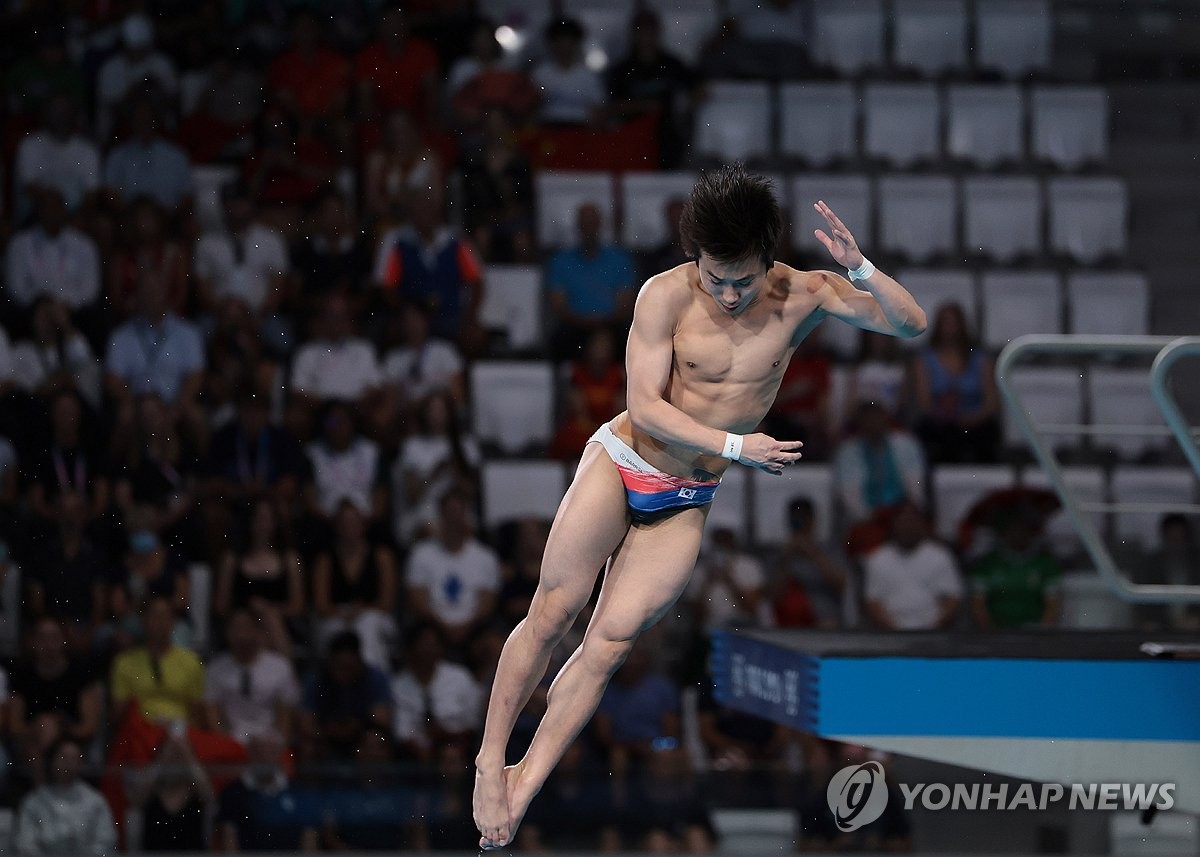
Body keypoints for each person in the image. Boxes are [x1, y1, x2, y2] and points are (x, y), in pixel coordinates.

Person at [473, 164, 926, 849]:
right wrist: (737, 444)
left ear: (767, 261)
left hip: (687, 495)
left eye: (743, 279)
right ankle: (487, 759)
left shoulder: (804, 294)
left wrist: (859, 266)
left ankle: (524, 777)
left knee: (610, 643)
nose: (729, 291)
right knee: (553, 611)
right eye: (716, 276)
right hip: (623, 460)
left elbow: (912, 324)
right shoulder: (664, 296)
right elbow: (643, 405)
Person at [912, 302, 1001, 463]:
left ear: (962, 325)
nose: (950, 328)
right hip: (940, 422)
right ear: (938, 326)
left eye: (954, 323)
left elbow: (992, 402)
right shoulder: (925, 359)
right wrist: (944, 416)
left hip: (976, 421)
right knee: (935, 432)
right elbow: (923, 402)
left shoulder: (980, 359)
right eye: (946, 322)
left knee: (987, 432)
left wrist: (971, 418)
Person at [863, 503, 963, 631]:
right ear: (894, 524)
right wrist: (895, 632)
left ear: (921, 523)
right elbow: (872, 602)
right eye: (903, 521)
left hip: (934, 632)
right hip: (890, 634)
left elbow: (953, 598)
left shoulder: (941, 556)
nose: (907, 526)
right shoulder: (877, 558)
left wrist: (933, 628)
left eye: (912, 521)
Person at [14, 736, 116, 856]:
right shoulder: (33, 801)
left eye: (73, 758)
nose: (68, 762)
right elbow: (25, 844)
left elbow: (105, 842)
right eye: (63, 757)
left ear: (80, 763)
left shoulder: (95, 801)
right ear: (52, 760)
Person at [970, 506, 1063, 630]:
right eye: (1013, 529)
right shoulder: (987, 563)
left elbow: (1053, 605)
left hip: (1034, 632)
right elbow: (978, 605)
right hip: (996, 633)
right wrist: (991, 633)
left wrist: (1042, 634)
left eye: (1023, 529)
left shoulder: (1046, 563)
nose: (1018, 534)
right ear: (1004, 532)